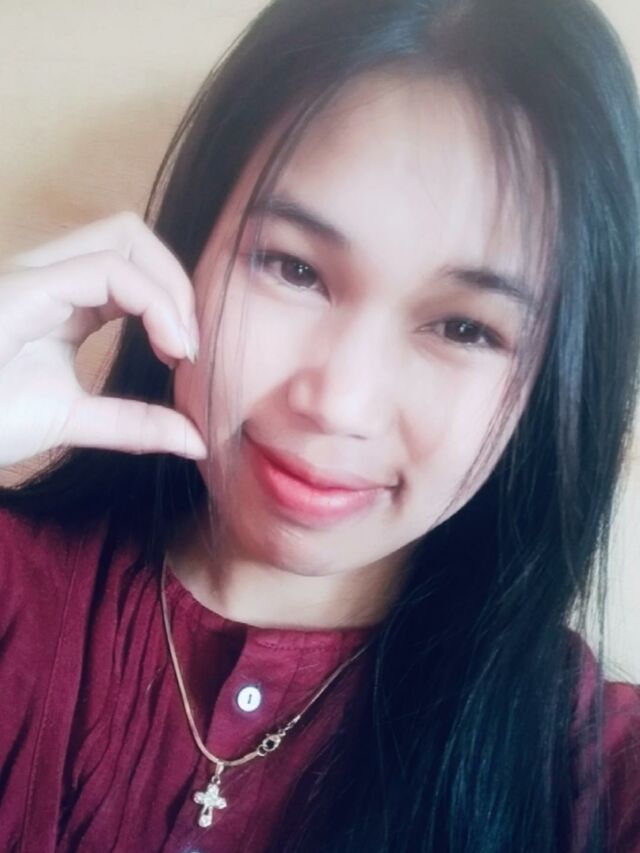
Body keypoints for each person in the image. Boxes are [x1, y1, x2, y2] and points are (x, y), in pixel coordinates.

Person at [0, 0, 639, 849]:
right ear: (189, 251)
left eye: (465, 328)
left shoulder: (591, 772)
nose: (339, 403)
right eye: (294, 268)